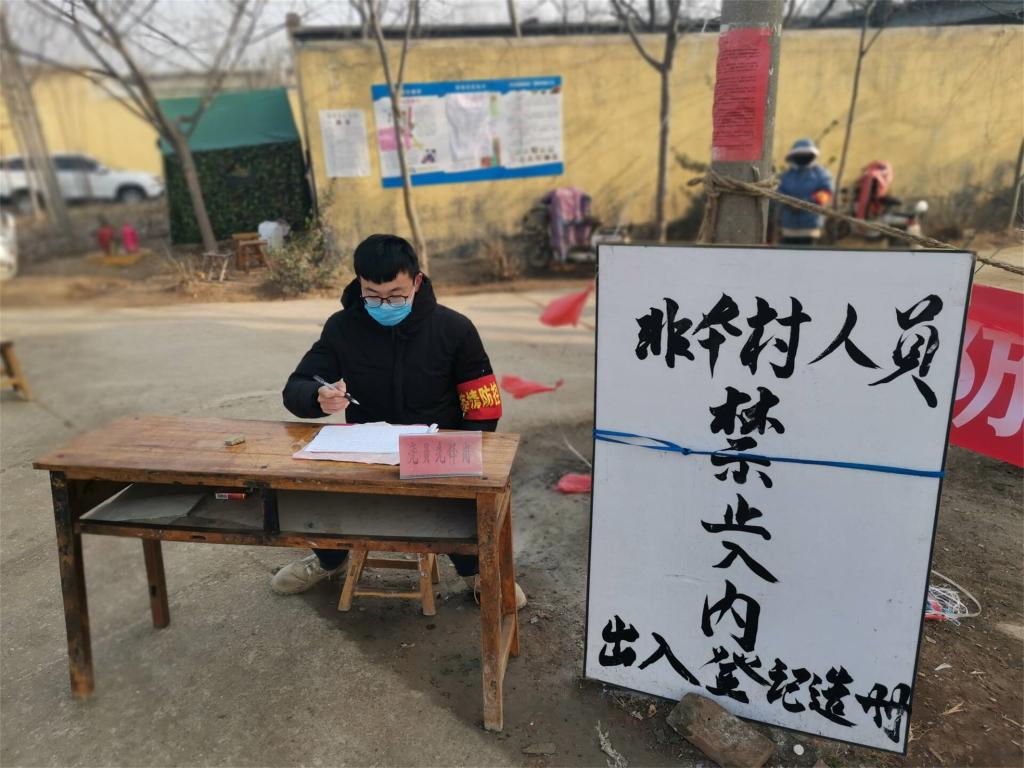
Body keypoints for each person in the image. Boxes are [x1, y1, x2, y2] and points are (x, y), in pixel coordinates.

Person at [274, 233, 527, 609]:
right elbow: (296, 386)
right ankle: (330, 558)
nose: (384, 305)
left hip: (436, 449)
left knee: (466, 503)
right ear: (360, 285)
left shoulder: (454, 329)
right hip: (366, 452)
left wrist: (464, 454)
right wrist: (317, 396)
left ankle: (475, 570)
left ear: (417, 282)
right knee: (317, 489)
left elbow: (484, 405)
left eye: (395, 295)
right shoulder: (342, 327)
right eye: (372, 296)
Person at [777, 138, 833, 246]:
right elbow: (778, 192)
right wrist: (789, 203)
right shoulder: (786, 175)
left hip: (811, 228)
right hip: (788, 228)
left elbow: (826, 192)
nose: (803, 156)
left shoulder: (821, 174)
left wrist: (806, 202)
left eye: (806, 154)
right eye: (800, 154)